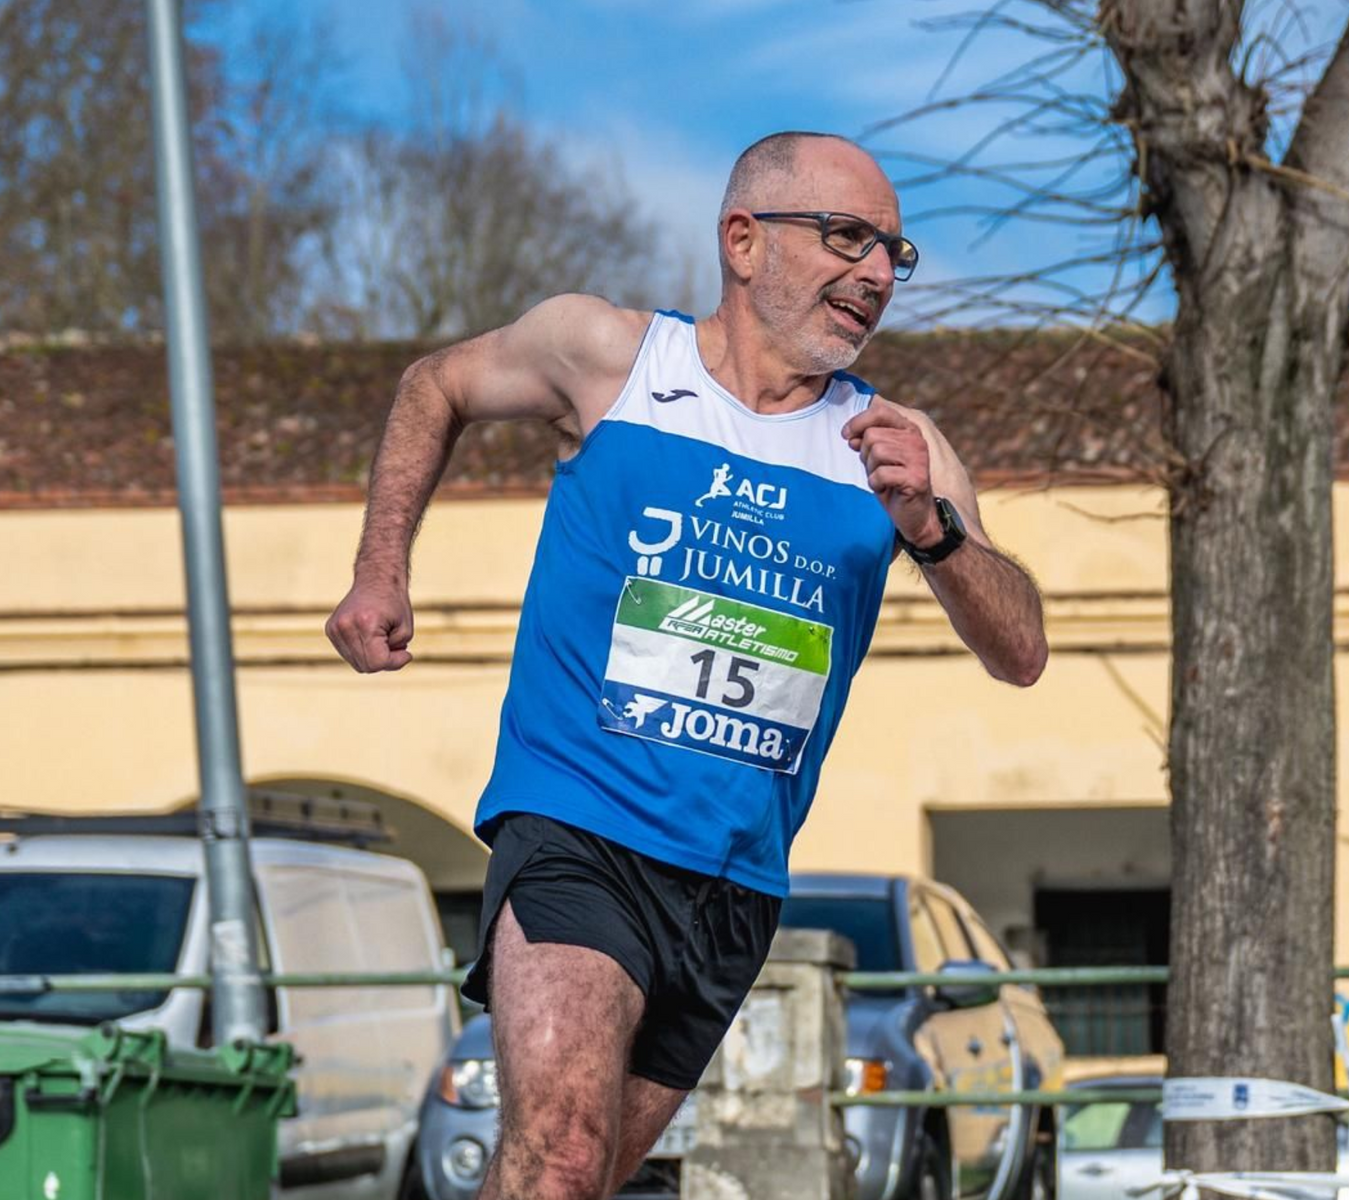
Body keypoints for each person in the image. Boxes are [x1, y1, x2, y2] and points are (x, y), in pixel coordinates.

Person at [326, 131, 1047, 1200]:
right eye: (847, 237)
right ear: (744, 241)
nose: (878, 274)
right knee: (564, 1155)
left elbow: (1021, 651)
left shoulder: (895, 447)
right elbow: (437, 385)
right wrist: (379, 570)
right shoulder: (612, 358)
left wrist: (932, 531)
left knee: (569, 1178)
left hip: (733, 882)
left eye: (894, 252)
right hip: (580, 827)